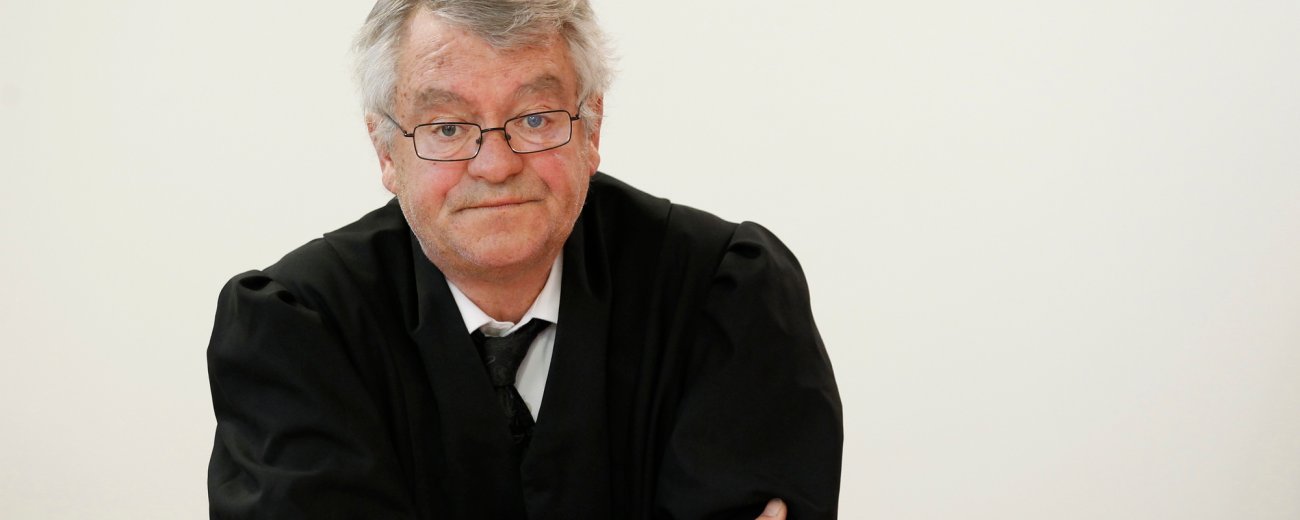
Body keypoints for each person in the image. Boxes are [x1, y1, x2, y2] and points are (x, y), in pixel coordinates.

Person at [205, 1, 842, 518]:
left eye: (535, 118)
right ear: (385, 151)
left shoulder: (722, 294)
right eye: (447, 127)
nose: (496, 164)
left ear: (592, 128)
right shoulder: (297, 332)